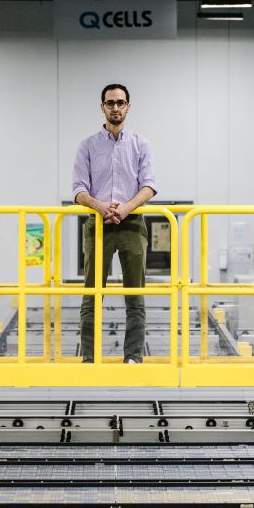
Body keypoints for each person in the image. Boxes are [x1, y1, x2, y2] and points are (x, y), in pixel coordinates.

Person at [72, 83, 157, 363]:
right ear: (102, 108)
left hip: (132, 224)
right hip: (98, 225)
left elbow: (148, 186)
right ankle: (90, 357)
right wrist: (99, 206)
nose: (116, 108)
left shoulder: (140, 144)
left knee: (135, 295)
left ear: (128, 107)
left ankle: (133, 356)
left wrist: (126, 208)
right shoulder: (88, 146)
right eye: (110, 103)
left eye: (121, 103)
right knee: (92, 294)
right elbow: (78, 189)